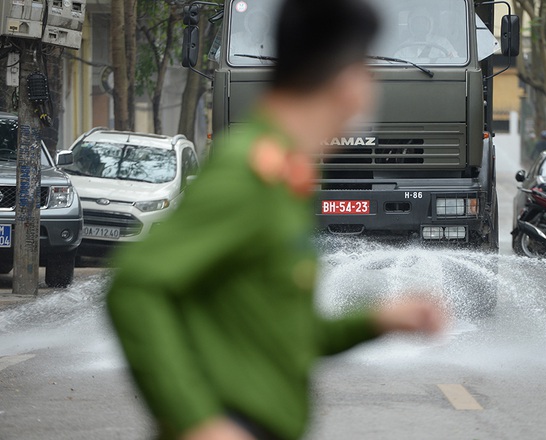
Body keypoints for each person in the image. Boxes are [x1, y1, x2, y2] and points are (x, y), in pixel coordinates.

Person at [106, 1, 449, 440]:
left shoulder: (287, 176)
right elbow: (135, 286)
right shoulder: (248, 170)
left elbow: (285, 332)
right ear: (347, 83)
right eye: (369, 69)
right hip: (239, 421)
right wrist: (195, 420)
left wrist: (378, 320)